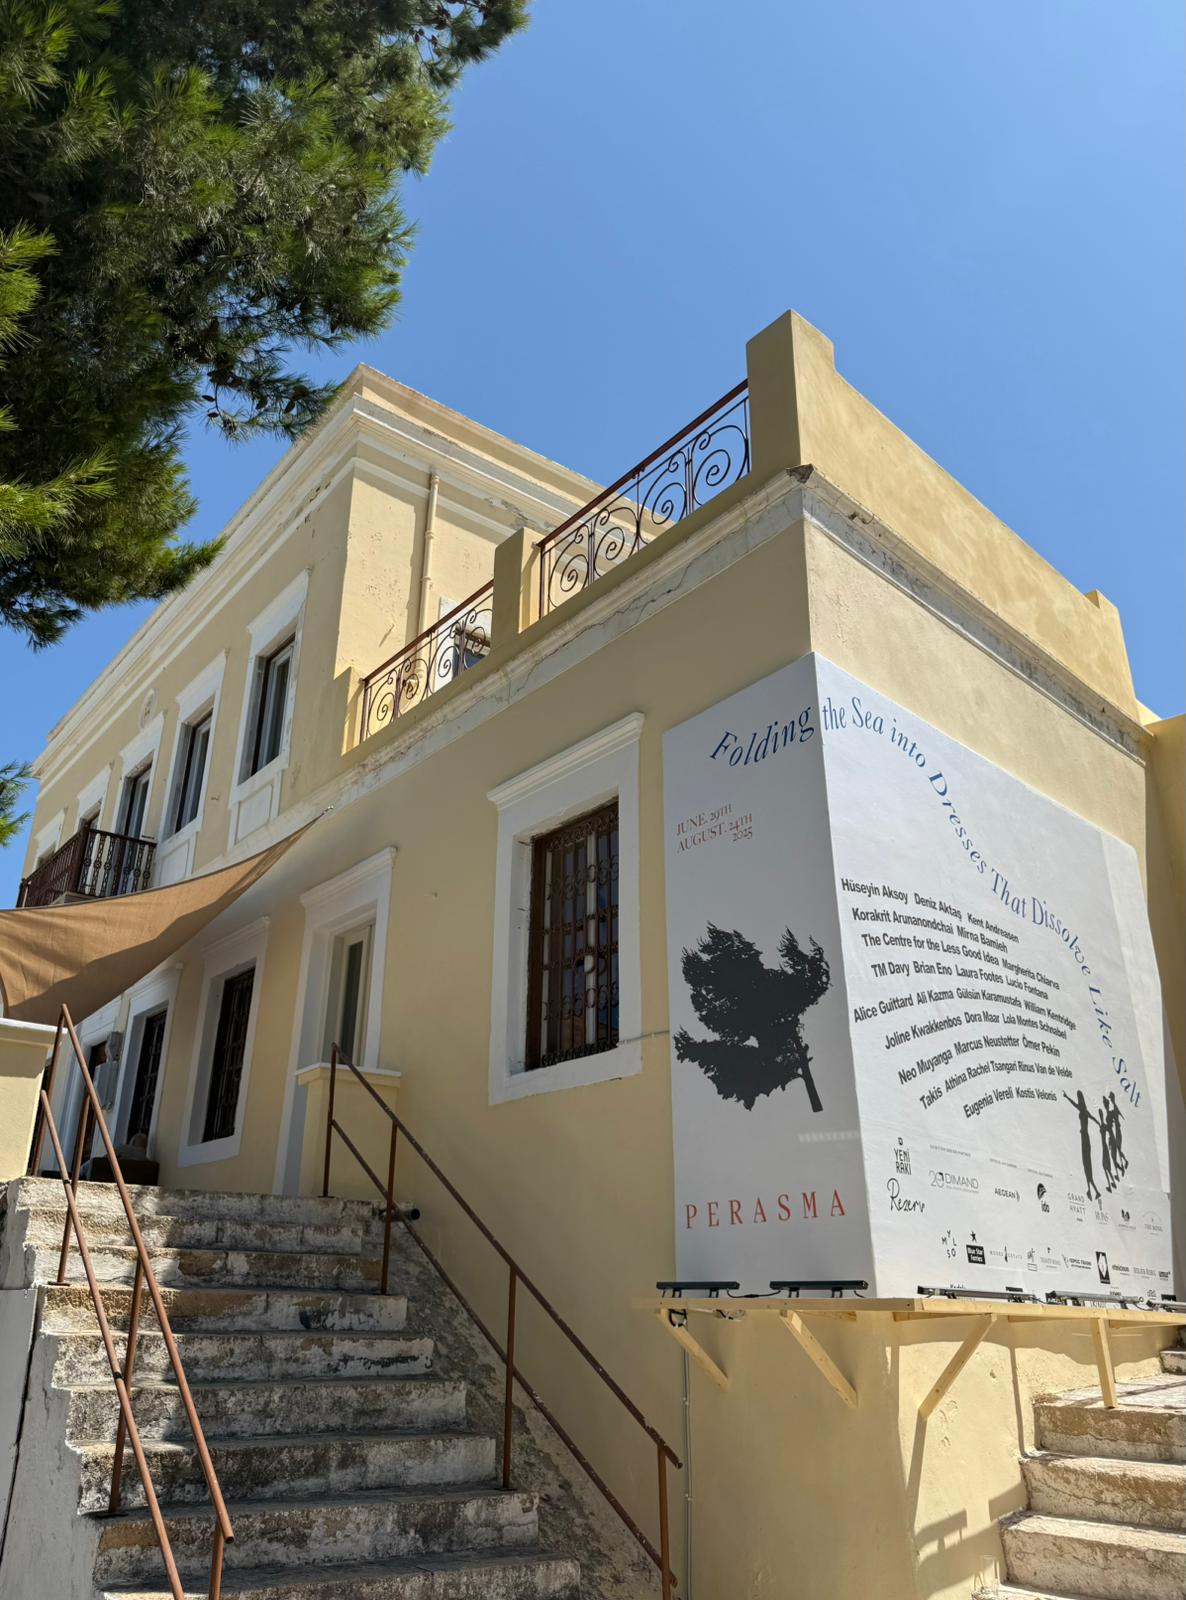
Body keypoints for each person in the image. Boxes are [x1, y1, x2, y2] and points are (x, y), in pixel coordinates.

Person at [1063, 1089, 1102, 1202]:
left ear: (1080, 1099)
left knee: (1086, 1164)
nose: (1078, 1100)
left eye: (1078, 1098)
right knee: (1087, 1164)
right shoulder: (1085, 1110)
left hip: (1084, 1138)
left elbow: (1074, 1104)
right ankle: (1092, 1190)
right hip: (1086, 1138)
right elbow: (1093, 1118)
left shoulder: (1082, 1110)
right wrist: (1098, 1123)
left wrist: (1066, 1097)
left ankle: (1092, 1190)